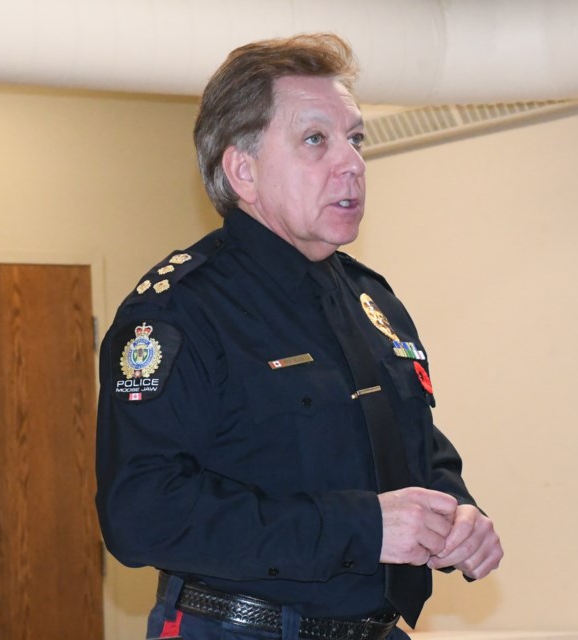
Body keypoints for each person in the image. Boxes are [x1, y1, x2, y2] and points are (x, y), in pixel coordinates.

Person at [95, 33, 503, 640]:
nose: (353, 163)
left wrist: (457, 511)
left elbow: (411, 441)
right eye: (316, 140)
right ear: (243, 170)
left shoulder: (370, 299)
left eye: (356, 139)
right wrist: (363, 528)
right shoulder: (183, 310)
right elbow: (142, 514)